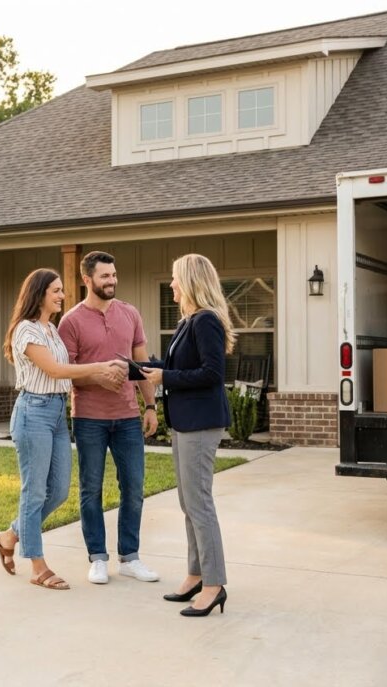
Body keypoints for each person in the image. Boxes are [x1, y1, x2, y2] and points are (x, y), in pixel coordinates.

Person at [0, 268, 126, 590]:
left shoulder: (50, 329)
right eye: (56, 290)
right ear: (38, 293)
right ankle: (37, 566)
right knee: (34, 491)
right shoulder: (26, 330)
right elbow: (53, 369)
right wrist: (98, 367)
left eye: (62, 290)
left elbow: (64, 374)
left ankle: (9, 535)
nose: (62, 296)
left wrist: (102, 376)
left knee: (60, 491)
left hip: (55, 414)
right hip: (33, 412)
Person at [139, 254, 235, 617]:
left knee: (200, 504)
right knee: (188, 503)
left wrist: (166, 378)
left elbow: (211, 373)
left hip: (201, 423)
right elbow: (179, 368)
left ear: (191, 281)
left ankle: (214, 584)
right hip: (185, 422)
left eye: (176, 279)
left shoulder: (206, 321)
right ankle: (196, 574)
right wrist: (143, 370)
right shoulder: (188, 322)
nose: (172, 285)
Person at [58, 251, 160, 586]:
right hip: (89, 419)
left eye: (114, 275)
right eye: (105, 276)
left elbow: (143, 367)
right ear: (87, 280)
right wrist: (97, 377)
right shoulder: (70, 321)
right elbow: (67, 374)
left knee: (134, 488)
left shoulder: (130, 314)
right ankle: (97, 557)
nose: (112, 281)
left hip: (128, 417)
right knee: (91, 490)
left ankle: (129, 557)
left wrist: (150, 406)